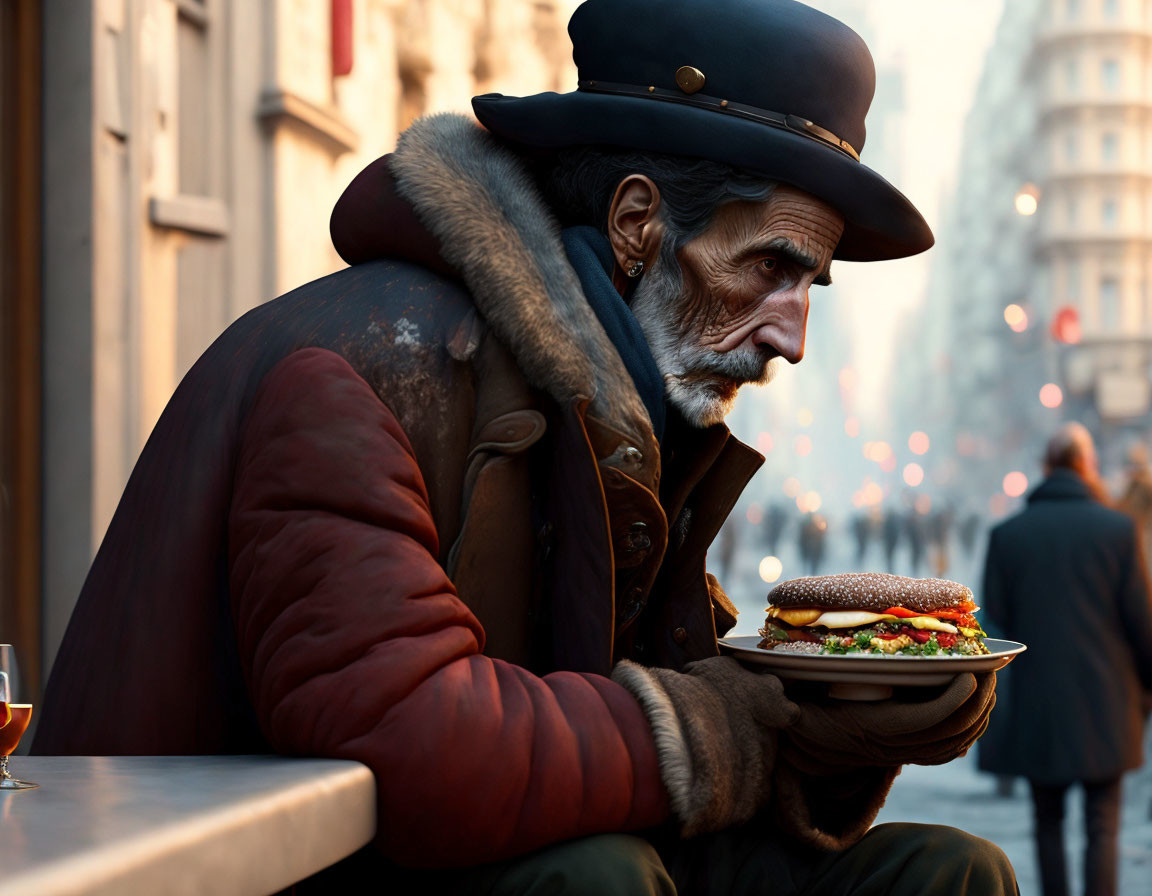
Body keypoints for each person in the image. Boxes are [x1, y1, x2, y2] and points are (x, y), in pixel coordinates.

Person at [34, 1, 1015, 891]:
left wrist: (839, 734)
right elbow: (413, 745)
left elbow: (680, 721)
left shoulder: (628, 403)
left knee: (942, 871)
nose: (790, 336)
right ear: (637, 222)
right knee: (599, 878)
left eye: (808, 288)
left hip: (485, 848)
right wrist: (730, 727)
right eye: (768, 268)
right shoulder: (360, 365)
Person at [980, 423, 1152, 896]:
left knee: (1047, 821)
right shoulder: (1119, 531)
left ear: (1045, 468)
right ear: (1087, 466)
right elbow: (1142, 623)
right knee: (1103, 825)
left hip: (1040, 703)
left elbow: (994, 626)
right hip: (1108, 704)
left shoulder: (1007, 535)